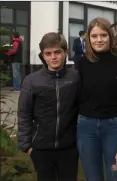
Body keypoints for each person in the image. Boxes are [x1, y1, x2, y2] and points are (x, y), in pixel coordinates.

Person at [77, 17, 117, 181]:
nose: (99, 40)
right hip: (86, 129)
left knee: (115, 176)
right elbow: (76, 98)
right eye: (94, 36)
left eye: (103, 35)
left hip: (114, 128)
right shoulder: (82, 63)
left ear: (111, 36)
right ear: (88, 38)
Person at [17, 32, 80, 181]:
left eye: (57, 52)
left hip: (69, 147)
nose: (53, 57)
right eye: (48, 53)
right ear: (43, 56)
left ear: (65, 52)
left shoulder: (75, 78)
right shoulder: (32, 81)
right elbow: (24, 113)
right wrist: (27, 145)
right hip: (41, 148)